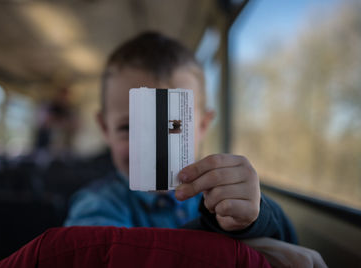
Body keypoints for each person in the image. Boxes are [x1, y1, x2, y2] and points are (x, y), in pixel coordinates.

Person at [64, 32, 326, 267]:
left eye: (175, 125)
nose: (156, 147)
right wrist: (235, 251)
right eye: (129, 128)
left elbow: (291, 245)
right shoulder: (97, 203)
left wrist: (254, 219)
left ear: (202, 125)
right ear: (104, 128)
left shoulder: (222, 191)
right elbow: (97, 256)